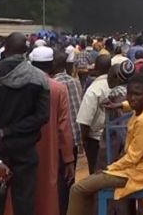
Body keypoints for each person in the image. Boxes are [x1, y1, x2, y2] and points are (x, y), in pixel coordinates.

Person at [67, 73, 143, 215]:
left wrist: (110, 168)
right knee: (89, 188)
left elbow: (132, 157)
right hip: (141, 168)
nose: (132, 98)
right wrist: (119, 105)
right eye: (130, 94)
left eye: (137, 94)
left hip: (140, 173)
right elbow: (132, 104)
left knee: (77, 189)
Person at [0, 33, 51, 215]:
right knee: (25, 203)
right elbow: (42, 116)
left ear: (5, 49)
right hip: (26, 151)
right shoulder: (39, 78)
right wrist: (11, 130)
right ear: (26, 51)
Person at [29, 45, 76, 215]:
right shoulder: (58, 89)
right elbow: (64, 127)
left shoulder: (20, 85)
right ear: (51, 66)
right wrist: (68, 158)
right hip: (49, 149)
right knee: (48, 190)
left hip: (22, 147)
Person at [51, 50, 83, 213]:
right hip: (75, 137)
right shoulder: (75, 81)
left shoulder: (52, 85)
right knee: (70, 179)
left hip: (60, 139)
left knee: (58, 182)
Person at [76, 55, 112, 174]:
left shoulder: (93, 90)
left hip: (96, 140)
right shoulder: (116, 84)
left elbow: (85, 120)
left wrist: (84, 140)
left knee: (96, 173)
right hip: (116, 137)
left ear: (96, 69)